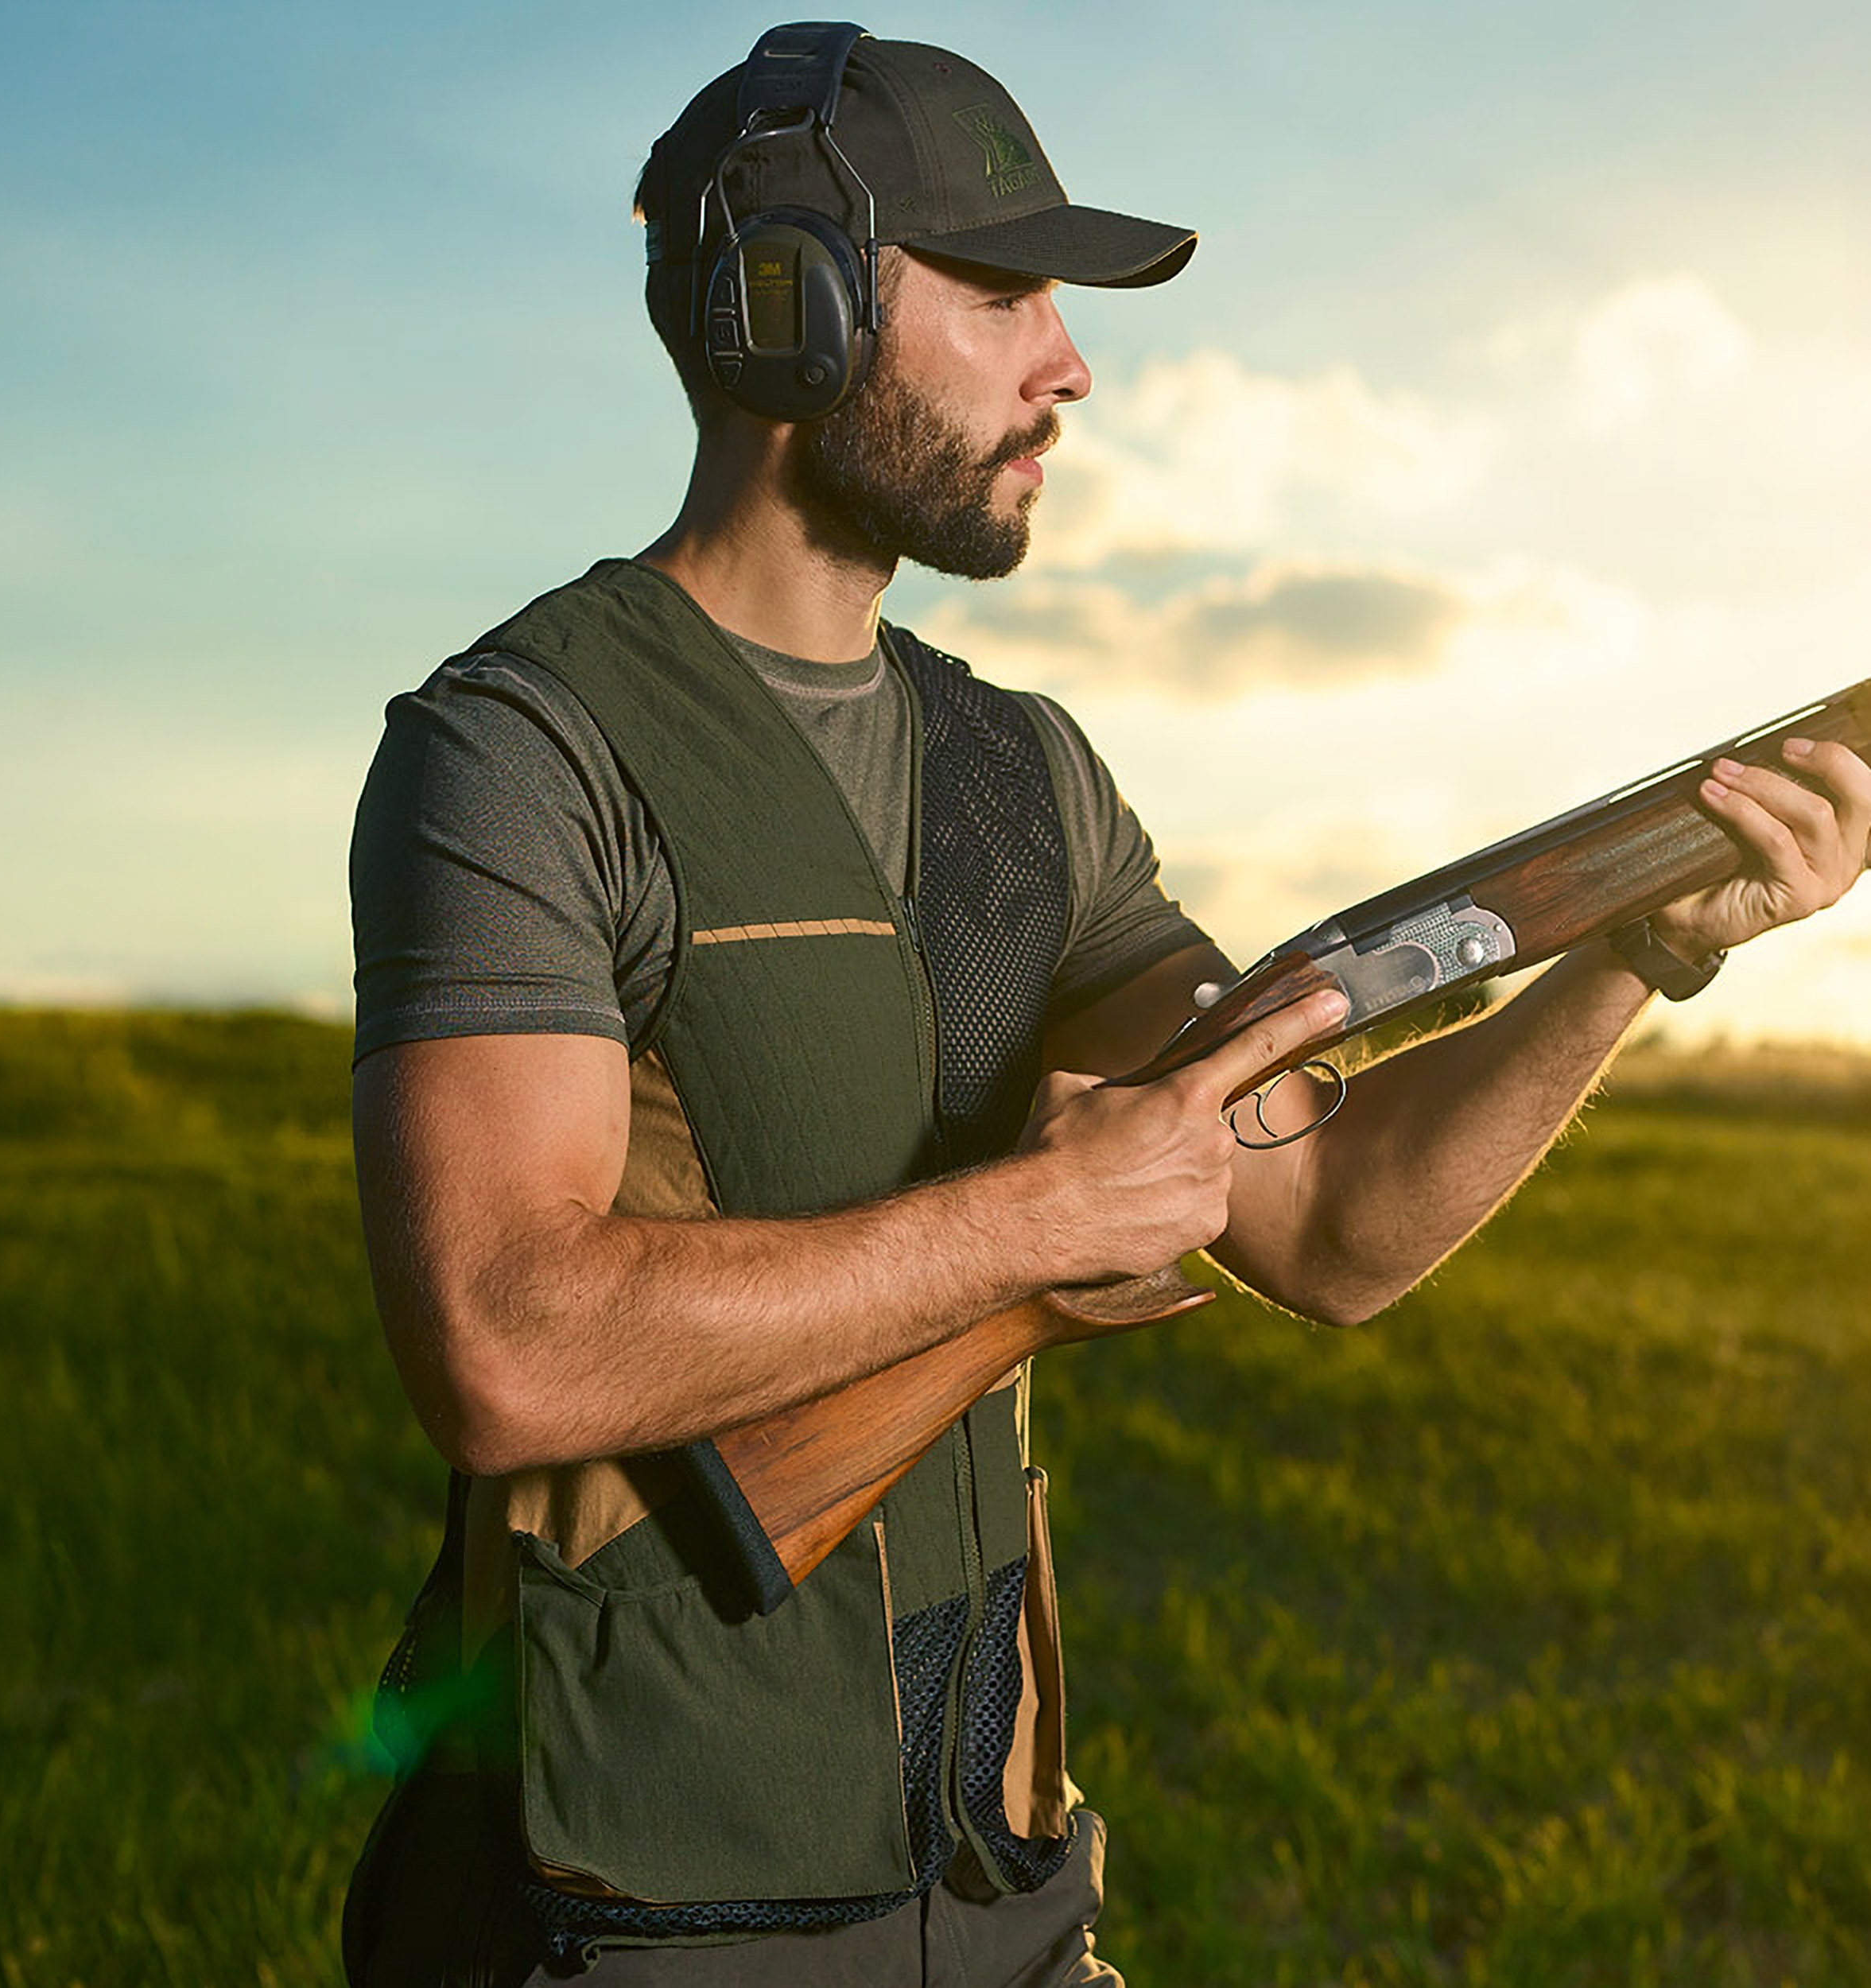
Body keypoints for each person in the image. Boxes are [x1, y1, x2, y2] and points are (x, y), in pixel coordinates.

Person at [340, 24, 1870, 1986]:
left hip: (995, 1883)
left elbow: (1326, 1229)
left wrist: (1638, 946)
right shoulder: (522, 750)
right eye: (997, 293)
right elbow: (502, 1344)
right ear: (786, 309)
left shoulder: (1020, 774)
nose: (1068, 362)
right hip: (630, 1901)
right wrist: (1038, 1225)